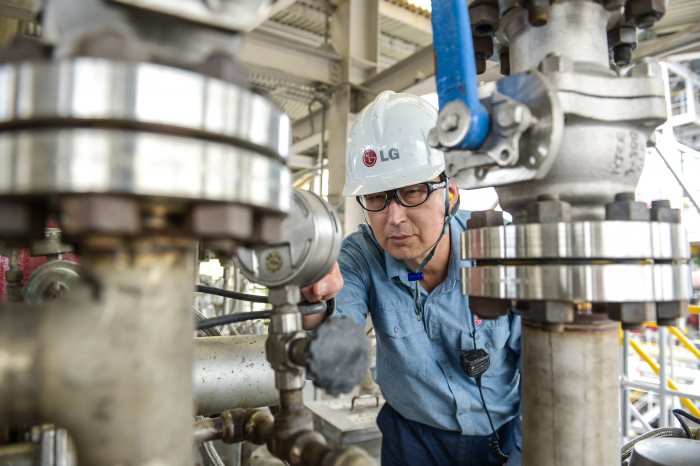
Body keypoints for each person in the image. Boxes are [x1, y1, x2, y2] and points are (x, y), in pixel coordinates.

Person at [301, 90, 522, 466]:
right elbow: (339, 333)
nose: (395, 217)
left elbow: (541, 368)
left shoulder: (498, 249)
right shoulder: (358, 256)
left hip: (502, 435)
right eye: (377, 197)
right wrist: (313, 303)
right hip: (411, 439)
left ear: (450, 194)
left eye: (413, 191)